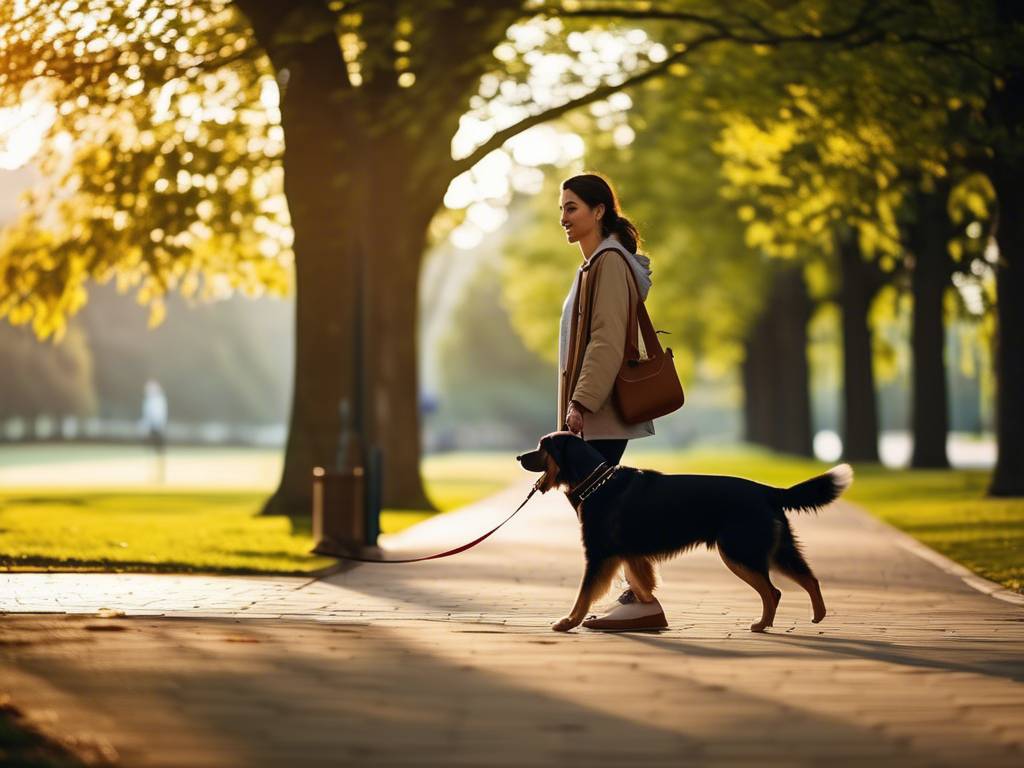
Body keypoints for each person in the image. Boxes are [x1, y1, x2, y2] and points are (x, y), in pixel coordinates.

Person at [557, 172, 667, 631]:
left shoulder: (608, 263)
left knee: (600, 506)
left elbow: (604, 341)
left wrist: (581, 402)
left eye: (572, 208)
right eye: (561, 209)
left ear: (599, 211)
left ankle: (642, 599)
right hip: (592, 411)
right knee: (599, 505)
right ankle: (639, 595)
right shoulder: (594, 264)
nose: (563, 218)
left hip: (599, 410)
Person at [140, 379, 168, 483]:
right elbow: (147, 417)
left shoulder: (159, 400)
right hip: (152, 429)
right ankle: (153, 474)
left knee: (159, 452)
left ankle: (160, 474)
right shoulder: (148, 401)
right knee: (151, 452)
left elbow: (159, 416)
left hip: (158, 429)